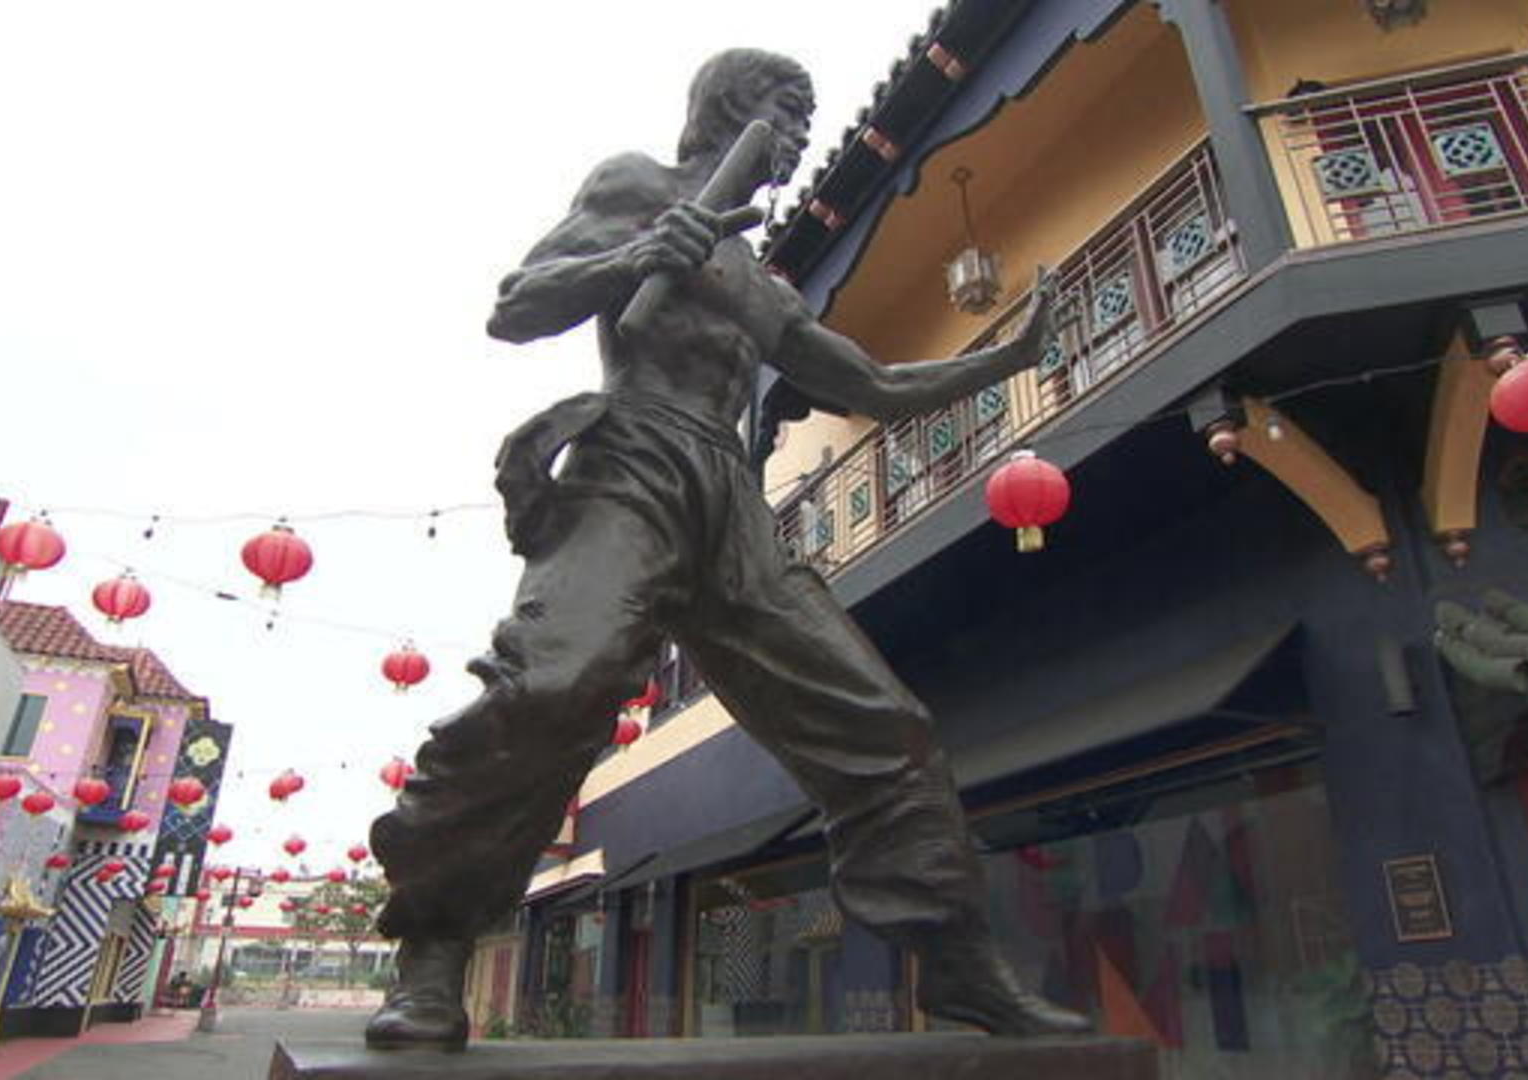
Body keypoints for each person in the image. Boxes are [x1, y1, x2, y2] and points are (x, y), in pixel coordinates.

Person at [365, 47, 1089, 1049]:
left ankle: (963, 965)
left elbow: (866, 383)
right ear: (731, 107)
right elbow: (518, 303)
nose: (797, 134)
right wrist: (636, 256)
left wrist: (999, 357)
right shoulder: (639, 187)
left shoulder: (757, 274)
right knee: (554, 685)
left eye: (806, 118)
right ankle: (435, 953)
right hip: (631, 460)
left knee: (886, 725)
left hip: (732, 502)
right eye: (788, 113)